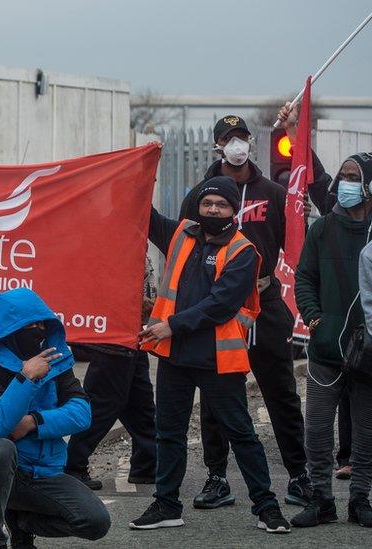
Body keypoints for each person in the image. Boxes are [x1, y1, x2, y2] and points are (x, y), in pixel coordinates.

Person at [133, 177, 291, 534]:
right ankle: (167, 504)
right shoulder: (182, 234)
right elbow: (145, 215)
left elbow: (220, 304)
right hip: (175, 357)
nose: (213, 210)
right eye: (208, 204)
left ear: (234, 210)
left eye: (221, 205)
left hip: (217, 359)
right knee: (168, 433)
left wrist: (171, 324)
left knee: (242, 434)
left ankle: (267, 507)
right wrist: (138, 177)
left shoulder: (243, 251)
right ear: (198, 208)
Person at [177, 115, 311, 510]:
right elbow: (185, 243)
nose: (237, 144)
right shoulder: (201, 194)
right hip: (218, 308)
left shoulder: (271, 191)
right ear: (218, 144)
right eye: (228, 138)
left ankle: (300, 476)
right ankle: (217, 478)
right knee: (217, 398)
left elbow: (293, 242)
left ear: (251, 142)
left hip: (264, 305)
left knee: (281, 394)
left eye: (242, 137)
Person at [0, 288, 111, 547]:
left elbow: (82, 413)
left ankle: (22, 523)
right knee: (1, 449)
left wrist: (33, 422)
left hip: (41, 472)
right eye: (30, 325)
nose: (38, 330)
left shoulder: (55, 362)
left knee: (96, 521)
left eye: (42, 324)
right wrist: (26, 378)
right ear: (9, 328)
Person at [292, 152, 372, 528]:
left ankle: (360, 500)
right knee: (318, 429)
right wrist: (315, 318)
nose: (345, 183)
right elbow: (304, 278)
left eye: (354, 176)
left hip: (369, 353)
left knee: (366, 431)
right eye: (342, 176)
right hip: (326, 349)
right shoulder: (322, 228)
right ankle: (321, 500)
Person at [65, 258, 157, 489]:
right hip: (113, 337)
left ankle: (146, 465)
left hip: (133, 335)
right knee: (102, 406)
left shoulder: (135, 238)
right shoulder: (110, 243)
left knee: (140, 404)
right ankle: (72, 466)